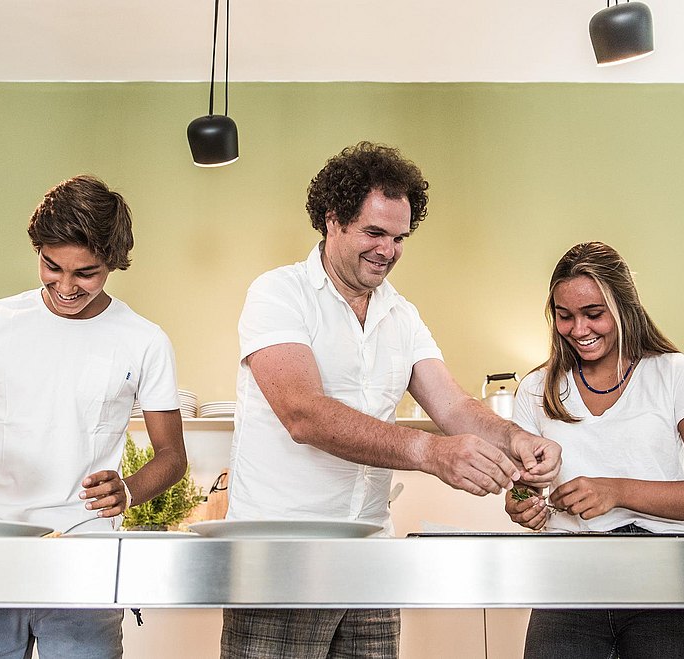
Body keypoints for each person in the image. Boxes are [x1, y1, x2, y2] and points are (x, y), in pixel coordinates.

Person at [221, 141, 562, 659]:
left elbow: (451, 405)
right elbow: (303, 414)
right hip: (282, 558)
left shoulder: (400, 315)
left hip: (372, 555)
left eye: (400, 237)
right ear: (332, 221)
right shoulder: (278, 294)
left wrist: (518, 438)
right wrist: (429, 454)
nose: (388, 250)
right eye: (374, 233)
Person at [0, 175, 187, 659]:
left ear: (112, 263)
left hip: (84, 554)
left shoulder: (144, 340)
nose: (66, 287)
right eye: (52, 267)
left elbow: (172, 456)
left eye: (86, 273)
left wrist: (130, 489)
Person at [504, 241, 684, 659]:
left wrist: (617, 491)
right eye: (565, 316)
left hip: (667, 582)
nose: (579, 329)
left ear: (625, 307)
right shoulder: (535, 389)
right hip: (568, 581)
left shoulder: (676, 374)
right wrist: (522, 503)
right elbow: (524, 489)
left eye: (593, 314)